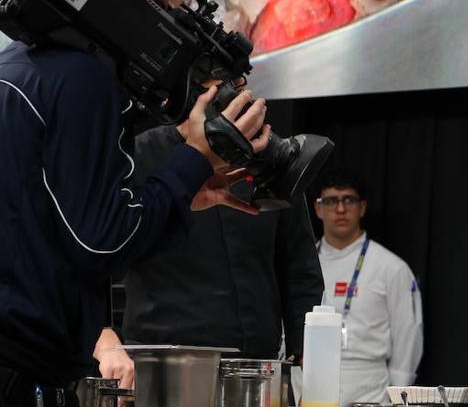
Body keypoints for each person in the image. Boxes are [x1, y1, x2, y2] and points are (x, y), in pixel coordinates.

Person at [0, 0, 269, 407]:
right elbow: (99, 242)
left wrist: (185, 193)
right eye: (161, 14)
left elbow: (55, 234)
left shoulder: (18, 71)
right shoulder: (84, 78)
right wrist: (189, 158)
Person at [115, 116, 323, 366]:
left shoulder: (269, 155)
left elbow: (299, 266)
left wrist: (308, 359)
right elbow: (96, 253)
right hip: (164, 363)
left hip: (259, 364)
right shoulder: (138, 154)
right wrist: (105, 338)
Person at [313, 170, 423, 405]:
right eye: (331, 201)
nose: (340, 209)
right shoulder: (301, 266)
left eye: (348, 200)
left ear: (362, 207)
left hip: (371, 394)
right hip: (308, 385)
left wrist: (396, 398)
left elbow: (408, 334)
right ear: (318, 209)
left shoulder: (391, 268)